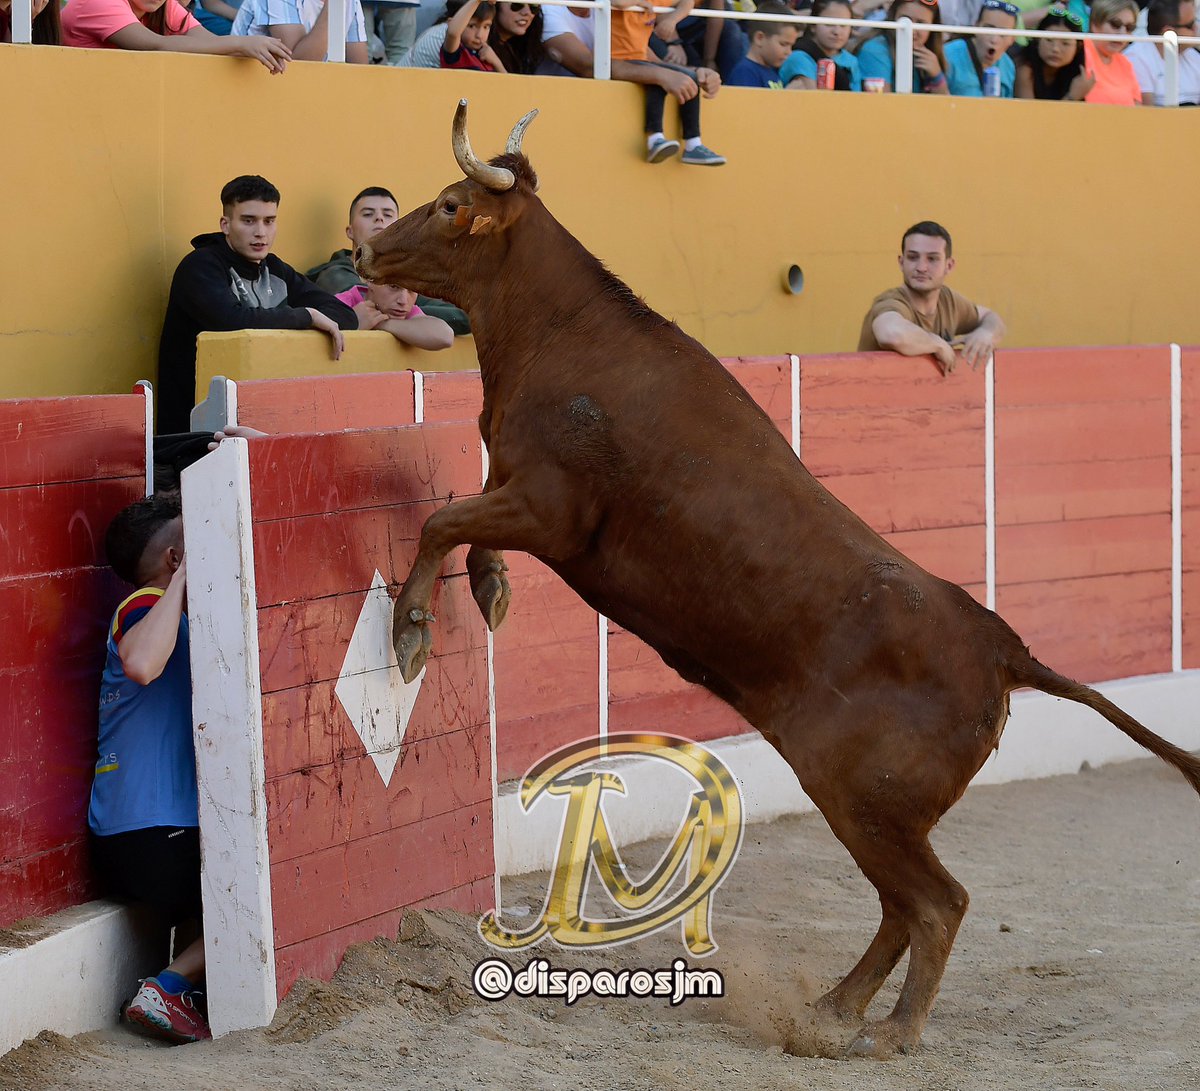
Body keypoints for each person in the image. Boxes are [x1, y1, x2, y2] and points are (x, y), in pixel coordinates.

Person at [90, 493, 206, 1044]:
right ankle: (167, 985)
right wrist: (180, 582)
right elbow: (140, 664)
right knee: (284, 878)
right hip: (153, 836)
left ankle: (185, 989)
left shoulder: (172, 609)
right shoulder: (144, 604)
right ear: (174, 557)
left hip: (143, 836)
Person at [157, 175, 356, 435]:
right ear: (226, 225)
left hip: (261, 424)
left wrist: (309, 318)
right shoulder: (200, 267)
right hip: (192, 435)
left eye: (269, 221)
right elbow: (232, 321)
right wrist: (306, 317)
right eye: (248, 221)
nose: (260, 232)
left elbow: (344, 316)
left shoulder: (276, 269)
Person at [306, 186, 471, 335]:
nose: (379, 219)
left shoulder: (406, 277)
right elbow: (366, 303)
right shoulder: (333, 275)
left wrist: (401, 315)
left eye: (387, 214)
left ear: (400, 228)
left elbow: (464, 315)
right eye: (368, 214)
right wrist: (413, 319)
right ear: (350, 231)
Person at [857, 221, 1005, 375]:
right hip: (875, 396)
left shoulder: (948, 301)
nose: (921, 267)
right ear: (901, 262)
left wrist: (986, 333)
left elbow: (990, 317)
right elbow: (891, 333)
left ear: (949, 266)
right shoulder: (891, 301)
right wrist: (937, 344)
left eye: (932, 259)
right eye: (913, 257)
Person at [609, 0, 726, 164]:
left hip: (643, 58)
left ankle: (693, 144)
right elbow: (618, 2)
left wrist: (672, 20)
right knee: (659, 77)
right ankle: (654, 139)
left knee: (690, 76)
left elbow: (687, 2)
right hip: (620, 60)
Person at [60, 0, 290, 67]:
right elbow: (155, 45)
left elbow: (212, 44)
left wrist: (251, 48)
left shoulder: (165, 7)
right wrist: (241, 44)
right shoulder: (97, 2)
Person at [855, 0, 949, 92]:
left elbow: (948, 107)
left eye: (920, 23)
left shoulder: (931, 56)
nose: (911, 29)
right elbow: (881, 104)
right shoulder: (874, 50)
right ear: (893, 18)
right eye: (904, 20)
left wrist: (937, 78)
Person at [230, 0, 370, 62]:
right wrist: (334, 6)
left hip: (305, 97)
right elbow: (299, 65)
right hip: (251, 95)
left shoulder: (351, 2)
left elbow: (358, 67)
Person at [336, 283, 455, 349]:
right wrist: (351, 321)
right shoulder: (341, 304)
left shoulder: (404, 312)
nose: (403, 301)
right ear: (369, 278)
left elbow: (445, 337)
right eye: (393, 287)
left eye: (412, 289)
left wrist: (379, 322)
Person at [1125, 0, 1200, 105]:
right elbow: (1147, 113)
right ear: (1168, 32)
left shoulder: (1193, 56)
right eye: (1190, 25)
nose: (1196, 28)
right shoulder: (1136, 58)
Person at [782, 0, 862, 89]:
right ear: (813, 25)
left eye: (844, 25)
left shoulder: (851, 61)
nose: (837, 31)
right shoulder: (798, 57)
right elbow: (813, 96)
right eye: (829, 24)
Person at [943, 0, 1018, 96]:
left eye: (1003, 34)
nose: (994, 39)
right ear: (976, 26)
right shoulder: (948, 55)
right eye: (989, 29)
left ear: (1012, 39)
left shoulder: (1008, 66)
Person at [1014, 7, 1092, 99]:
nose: (1056, 49)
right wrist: (1072, 96)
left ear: (1078, 47)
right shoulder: (1024, 68)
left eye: (1065, 43)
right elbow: (1028, 112)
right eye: (1049, 40)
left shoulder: (1079, 76)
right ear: (1038, 39)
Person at [725, 0, 796, 87]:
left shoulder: (772, 71)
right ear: (760, 38)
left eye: (791, 46)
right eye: (783, 44)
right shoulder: (745, 73)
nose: (789, 52)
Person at [1083, 0, 1142, 104]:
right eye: (1115, 24)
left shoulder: (1125, 63)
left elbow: (1137, 108)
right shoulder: (1079, 52)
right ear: (1095, 24)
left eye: (1129, 28)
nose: (1122, 33)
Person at [440, 0, 501, 68]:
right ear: (451, 23)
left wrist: (497, 63)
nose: (479, 35)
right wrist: (476, 1)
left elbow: (507, 78)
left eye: (486, 27)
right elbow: (453, 33)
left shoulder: (487, 55)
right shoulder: (455, 52)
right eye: (472, 26)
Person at [489, 0, 543, 73]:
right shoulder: (478, 47)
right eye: (517, 4)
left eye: (533, 6)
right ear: (496, 5)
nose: (527, 12)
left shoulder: (526, 52)